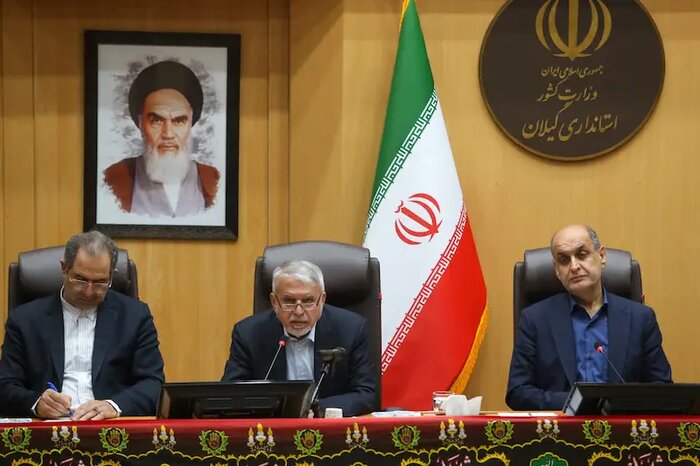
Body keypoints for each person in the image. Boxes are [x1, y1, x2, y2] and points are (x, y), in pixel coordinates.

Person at [0, 231, 165, 420]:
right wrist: (36, 404)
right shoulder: (25, 319)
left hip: (111, 426)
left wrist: (113, 405)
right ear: (64, 268)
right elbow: (5, 385)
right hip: (48, 427)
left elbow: (154, 383)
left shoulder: (135, 316)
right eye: (80, 279)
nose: (88, 291)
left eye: (100, 282)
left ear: (112, 275)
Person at [506, 224, 672, 411]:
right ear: (557, 270)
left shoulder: (641, 318)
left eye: (582, 254)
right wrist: (580, 402)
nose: (574, 266)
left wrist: (620, 403)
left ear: (601, 256)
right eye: (564, 260)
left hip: (622, 426)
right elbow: (518, 392)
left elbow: (662, 389)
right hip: (561, 426)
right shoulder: (534, 320)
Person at [221, 260, 377, 416]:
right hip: (271, 427)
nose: (298, 311)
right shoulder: (248, 334)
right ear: (274, 302)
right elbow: (231, 396)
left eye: (308, 301)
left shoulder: (351, 329)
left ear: (322, 300)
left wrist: (315, 410)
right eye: (289, 301)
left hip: (328, 426)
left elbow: (365, 394)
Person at [103, 60, 219, 217]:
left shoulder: (213, 180)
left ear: (190, 124)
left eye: (179, 121)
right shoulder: (113, 179)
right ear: (141, 124)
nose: (168, 134)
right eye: (156, 121)